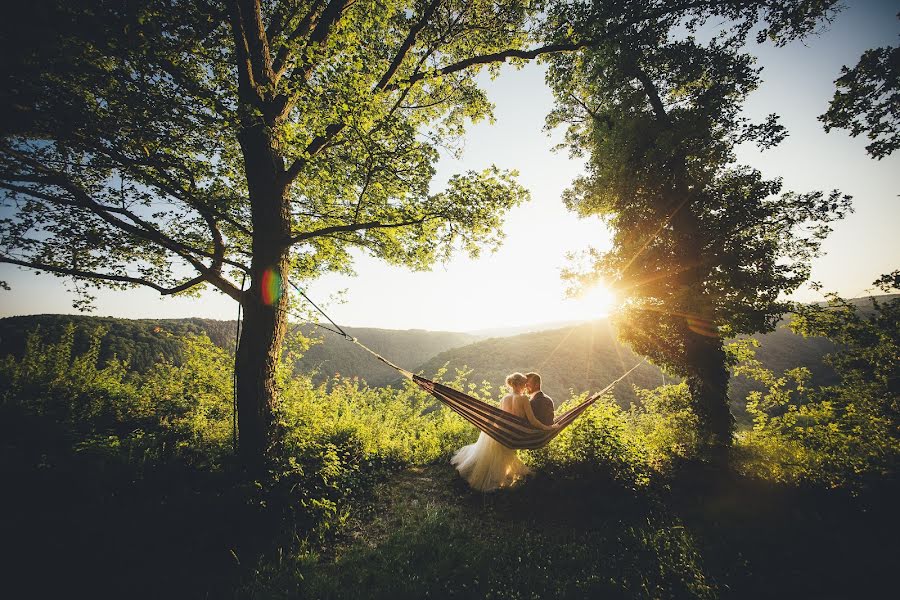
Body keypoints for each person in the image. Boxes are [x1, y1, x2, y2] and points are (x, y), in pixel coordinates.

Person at [450, 372, 555, 492]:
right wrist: (547, 428)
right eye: (524, 384)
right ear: (520, 385)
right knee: (502, 458)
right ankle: (495, 482)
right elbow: (533, 420)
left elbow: (500, 417)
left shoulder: (504, 398)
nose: (526, 387)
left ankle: (485, 478)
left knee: (494, 457)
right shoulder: (524, 399)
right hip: (511, 435)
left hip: (499, 432)